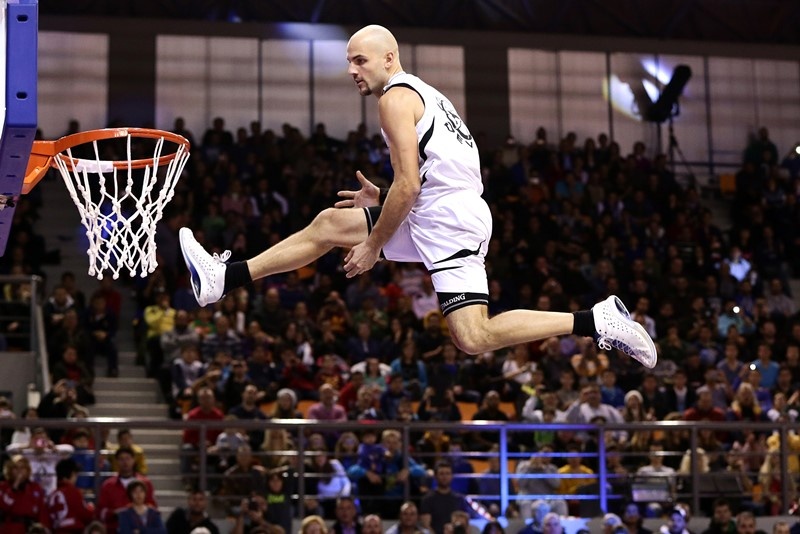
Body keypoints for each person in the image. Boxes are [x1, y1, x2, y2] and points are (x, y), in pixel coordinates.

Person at [178, 25, 656, 371]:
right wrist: (383, 197)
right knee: (330, 225)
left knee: (473, 335)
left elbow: (410, 185)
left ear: (390, 58)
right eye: (348, 60)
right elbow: (427, 178)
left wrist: (372, 244)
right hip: (448, 208)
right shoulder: (426, 94)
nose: (351, 69)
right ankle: (225, 277)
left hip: (447, 217)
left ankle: (594, 320)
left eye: (359, 60)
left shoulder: (394, 99)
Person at [97, 447, 157, 533]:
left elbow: (153, 508)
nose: (125, 462)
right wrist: (115, 513)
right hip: (115, 529)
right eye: (121, 459)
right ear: (116, 462)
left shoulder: (145, 483)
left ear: (134, 460)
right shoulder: (108, 485)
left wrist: (139, 511)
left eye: (128, 458)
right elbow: (100, 512)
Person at [0, 455, 50, 533]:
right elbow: (4, 507)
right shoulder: (3, 487)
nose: (20, 471)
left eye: (23, 468)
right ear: (10, 470)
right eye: (16, 468)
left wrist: (44, 527)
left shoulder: (35, 487)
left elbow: (42, 511)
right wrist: (15, 486)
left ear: (27, 470)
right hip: (10, 528)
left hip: (30, 529)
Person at [420, 461, 469, 534]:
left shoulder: (459, 499)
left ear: (451, 476)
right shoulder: (427, 500)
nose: (445, 477)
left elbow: (464, 525)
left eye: (447, 473)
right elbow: (426, 526)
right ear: (435, 476)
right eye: (441, 474)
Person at [47, 459, 96, 534]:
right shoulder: (73, 492)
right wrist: (91, 509)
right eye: (75, 475)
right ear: (71, 475)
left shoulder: (52, 495)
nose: (76, 479)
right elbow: (85, 515)